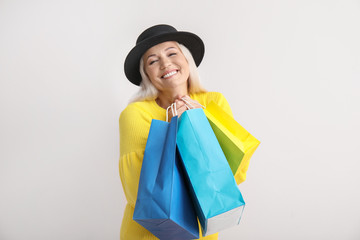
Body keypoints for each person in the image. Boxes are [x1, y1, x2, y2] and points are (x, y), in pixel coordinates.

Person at [119, 24, 243, 240]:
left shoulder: (213, 103)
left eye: (172, 53)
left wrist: (201, 126)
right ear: (146, 74)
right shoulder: (134, 114)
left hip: (202, 234)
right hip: (149, 235)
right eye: (153, 60)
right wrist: (171, 130)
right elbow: (136, 192)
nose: (165, 63)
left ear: (187, 60)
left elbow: (235, 174)